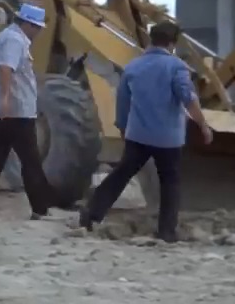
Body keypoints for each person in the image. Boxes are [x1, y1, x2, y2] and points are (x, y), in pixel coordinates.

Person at [78, 21, 214, 243]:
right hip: (168, 138)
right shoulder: (176, 67)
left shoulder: (133, 66)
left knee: (121, 174)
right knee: (170, 181)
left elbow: (122, 101)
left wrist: (122, 127)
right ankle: (166, 231)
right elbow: (188, 98)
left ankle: (91, 215)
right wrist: (203, 125)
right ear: (172, 43)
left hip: (138, 135)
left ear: (151, 39)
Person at [0, 3, 56, 221]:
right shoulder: (15, 40)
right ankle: (40, 210)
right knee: (30, 161)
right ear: (28, 24)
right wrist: (6, 99)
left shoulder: (5, 36)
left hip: (1, 111)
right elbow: (6, 68)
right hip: (15, 112)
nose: (39, 32)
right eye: (37, 27)